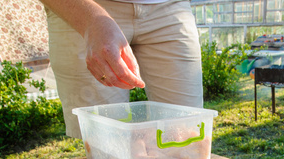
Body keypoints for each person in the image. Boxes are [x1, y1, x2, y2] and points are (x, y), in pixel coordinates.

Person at [39, 0, 203, 138]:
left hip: (170, 8)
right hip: (85, 7)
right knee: (103, 142)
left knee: (187, 133)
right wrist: (91, 21)